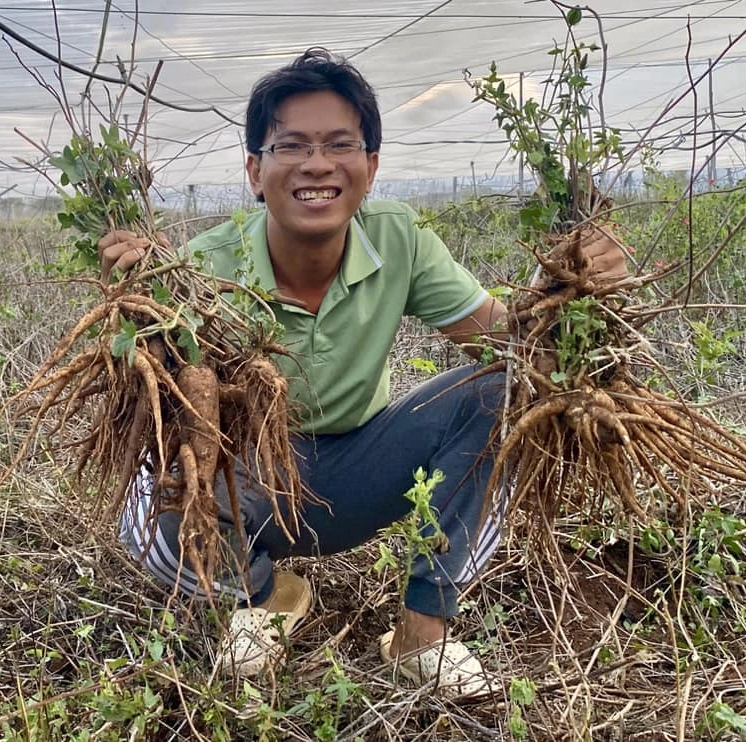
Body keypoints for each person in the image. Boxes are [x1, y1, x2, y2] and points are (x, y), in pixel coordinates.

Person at [99, 47, 626, 697]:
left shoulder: (398, 239)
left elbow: (508, 352)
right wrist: (142, 296)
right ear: (254, 170)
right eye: (291, 145)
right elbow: (159, 401)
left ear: (370, 168)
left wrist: (571, 292)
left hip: (360, 480)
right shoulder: (204, 267)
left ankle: (422, 633)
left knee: (508, 392)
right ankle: (260, 596)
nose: (316, 164)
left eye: (339, 144)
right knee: (147, 493)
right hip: (254, 493)